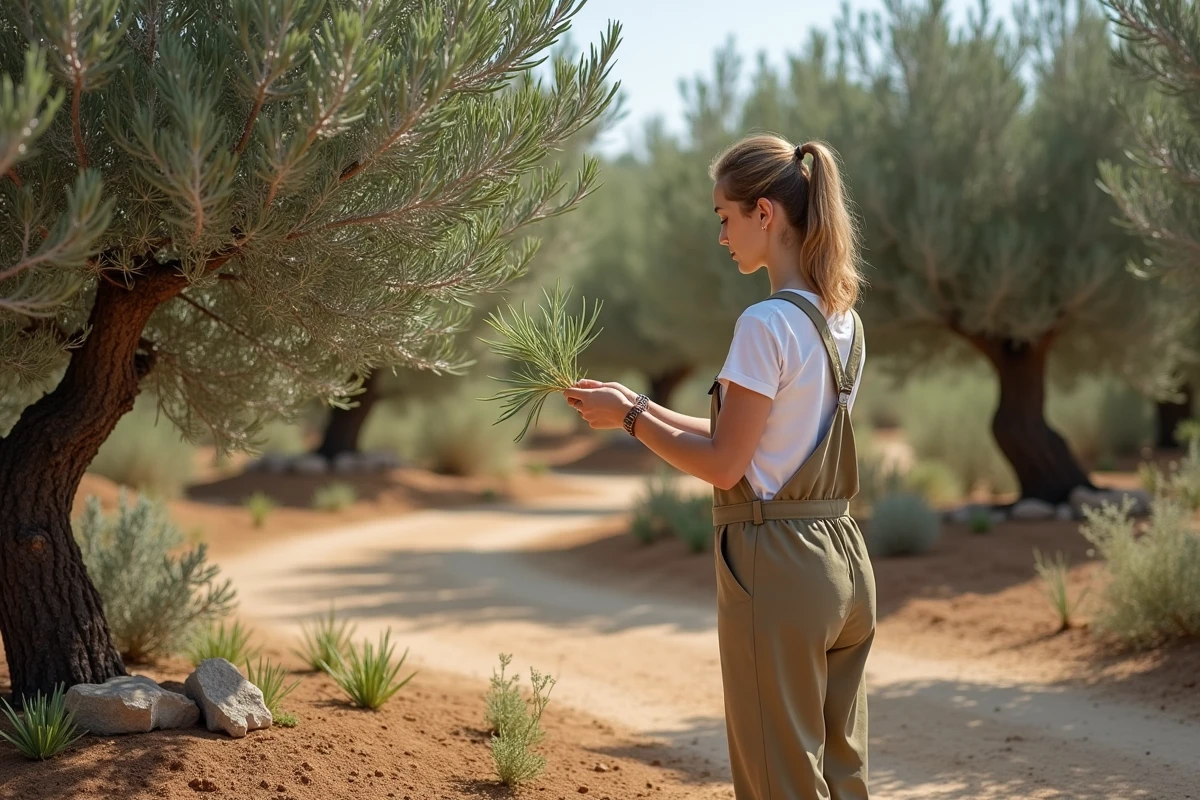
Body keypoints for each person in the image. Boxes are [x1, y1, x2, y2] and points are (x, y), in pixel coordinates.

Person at [563, 133, 873, 800]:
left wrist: (630, 421)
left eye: (724, 217)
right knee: (842, 774)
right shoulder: (843, 321)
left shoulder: (764, 324)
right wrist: (637, 405)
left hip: (780, 564)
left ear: (766, 213)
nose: (722, 235)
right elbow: (760, 439)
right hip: (843, 556)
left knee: (778, 779)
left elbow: (727, 460)